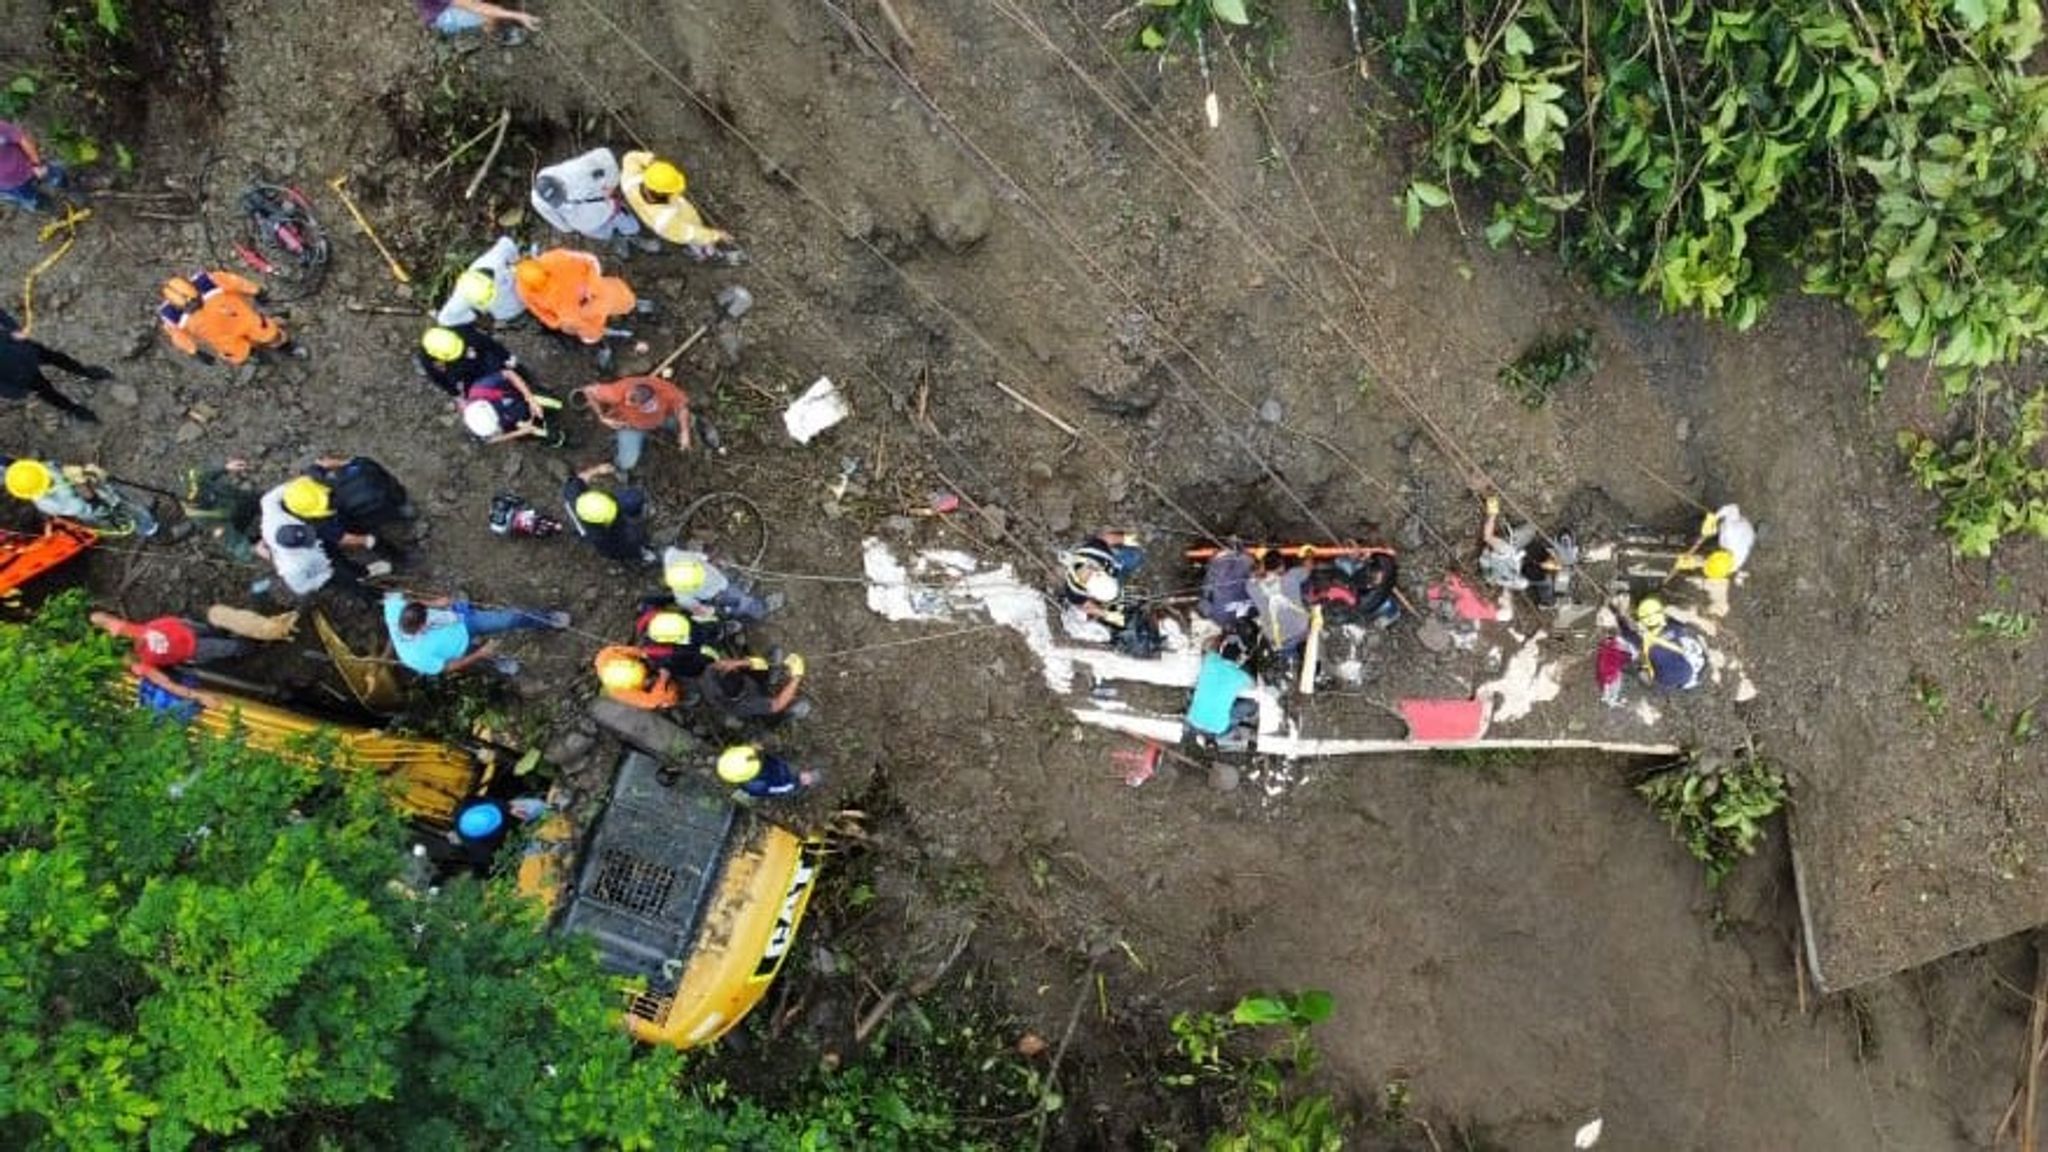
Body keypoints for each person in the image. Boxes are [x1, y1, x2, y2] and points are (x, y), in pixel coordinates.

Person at [383, 592, 568, 677]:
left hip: (461, 621)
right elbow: (448, 667)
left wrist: (435, 603)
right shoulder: (414, 657)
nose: (427, 626)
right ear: (417, 628)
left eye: (426, 618)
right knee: (489, 657)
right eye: (424, 627)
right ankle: (497, 660)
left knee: (509, 619)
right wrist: (480, 654)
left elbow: (406, 599)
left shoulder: (394, 608)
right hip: (461, 650)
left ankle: (547, 619)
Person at [258, 480, 385, 598]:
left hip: (322, 551)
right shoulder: (292, 568)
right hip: (323, 568)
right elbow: (301, 588)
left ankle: (363, 572)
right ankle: (376, 596)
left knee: (339, 557)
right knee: (349, 583)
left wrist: (299, 486)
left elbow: (268, 498)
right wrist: (326, 575)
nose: (312, 539)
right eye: (307, 541)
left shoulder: (272, 517)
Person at [90, 611, 252, 697]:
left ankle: (236, 637)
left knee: (215, 631)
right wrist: (196, 695)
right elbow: (166, 683)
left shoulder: (124, 630)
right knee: (228, 647)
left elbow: (99, 618)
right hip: (194, 649)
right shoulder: (141, 665)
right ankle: (250, 647)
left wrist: (99, 622)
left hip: (184, 626)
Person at [157, 269, 296, 366]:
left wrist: (256, 291)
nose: (194, 306)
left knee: (270, 334)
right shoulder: (170, 315)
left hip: (245, 320)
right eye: (189, 308)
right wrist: (194, 352)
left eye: (196, 301)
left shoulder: (207, 282)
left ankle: (286, 346)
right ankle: (254, 354)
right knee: (240, 354)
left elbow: (235, 281)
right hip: (223, 340)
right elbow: (178, 337)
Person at [619, 152, 738, 260]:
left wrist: (652, 162)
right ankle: (704, 253)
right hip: (677, 224)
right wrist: (716, 235)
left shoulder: (631, 181)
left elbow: (630, 158)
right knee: (695, 238)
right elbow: (690, 233)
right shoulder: (664, 220)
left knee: (691, 222)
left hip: (670, 211)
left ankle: (704, 249)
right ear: (662, 192)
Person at [0, 306, 108, 422]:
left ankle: (86, 372)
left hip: (24, 350)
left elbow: (2, 315)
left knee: (59, 358)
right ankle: (73, 409)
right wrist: (17, 392)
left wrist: (15, 331)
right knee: (48, 392)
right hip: (17, 375)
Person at [512, 248, 637, 347]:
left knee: (622, 300)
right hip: (576, 315)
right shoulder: (524, 291)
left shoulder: (555, 258)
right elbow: (541, 313)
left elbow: (591, 260)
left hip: (595, 294)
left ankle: (629, 307)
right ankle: (600, 337)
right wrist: (559, 322)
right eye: (538, 286)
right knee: (591, 334)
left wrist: (592, 285)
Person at [3, 458, 158, 537]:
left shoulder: (39, 471)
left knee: (117, 494)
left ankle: (142, 514)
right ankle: (148, 528)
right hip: (94, 506)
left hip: (90, 488)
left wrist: (78, 471)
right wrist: (82, 484)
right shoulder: (49, 503)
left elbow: (53, 466)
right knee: (123, 512)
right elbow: (84, 506)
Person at [1597, 597, 1708, 704]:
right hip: (1689, 670)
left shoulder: (1669, 631)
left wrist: (1619, 616)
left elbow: (1629, 634)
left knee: (1646, 665)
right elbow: (1630, 635)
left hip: (1687, 671)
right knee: (1646, 666)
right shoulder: (1674, 629)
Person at [576, 374, 690, 475]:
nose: (625, 403)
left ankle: (686, 431)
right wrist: (601, 416)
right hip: (630, 426)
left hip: (661, 418)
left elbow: (681, 407)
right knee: (627, 463)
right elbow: (588, 390)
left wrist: (685, 432)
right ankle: (617, 467)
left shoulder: (665, 390)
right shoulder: (618, 391)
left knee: (684, 423)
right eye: (627, 399)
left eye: (631, 403)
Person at [531, 147, 643, 246]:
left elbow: (605, 158)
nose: (562, 200)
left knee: (631, 226)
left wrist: (612, 185)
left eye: (560, 194)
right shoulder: (538, 201)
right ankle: (620, 241)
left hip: (607, 210)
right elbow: (558, 222)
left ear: (559, 182)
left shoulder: (577, 170)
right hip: (586, 226)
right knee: (607, 235)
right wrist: (571, 227)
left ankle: (634, 238)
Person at [1478, 494, 1574, 606]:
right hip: (1522, 565)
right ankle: (1551, 600)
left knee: (1531, 532)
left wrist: (1493, 513)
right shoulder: (1507, 555)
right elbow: (1489, 539)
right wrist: (1543, 565)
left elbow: (1487, 536)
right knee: (1546, 580)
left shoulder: (1504, 554)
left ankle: (1555, 595)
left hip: (1516, 562)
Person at [563, 463, 655, 565]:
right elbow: (613, 549)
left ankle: (638, 510)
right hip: (610, 535)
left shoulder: (572, 492)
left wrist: (598, 469)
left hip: (610, 509)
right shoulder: (597, 535)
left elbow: (581, 478)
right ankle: (642, 555)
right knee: (632, 540)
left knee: (633, 497)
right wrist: (634, 547)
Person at [661, 546, 781, 622]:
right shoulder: (681, 595)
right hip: (718, 595)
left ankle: (742, 593)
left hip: (720, 579)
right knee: (739, 603)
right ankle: (761, 609)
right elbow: (698, 609)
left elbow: (701, 557)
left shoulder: (677, 557)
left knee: (733, 587)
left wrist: (712, 560)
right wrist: (706, 611)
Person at [435, 238, 529, 328]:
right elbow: (444, 319)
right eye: (486, 299)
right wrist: (472, 317)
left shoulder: (491, 261)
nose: (491, 298)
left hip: (523, 291)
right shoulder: (462, 295)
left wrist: (516, 260)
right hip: (509, 312)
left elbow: (507, 243)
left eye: (490, 295)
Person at [1185, 634, 1258, 749]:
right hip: (1212, 727)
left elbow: (1210, 646)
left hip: (1194, 722)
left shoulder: (1211, 660)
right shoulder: (1239, 675)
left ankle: (1207, 737)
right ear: (1239, 658)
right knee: (1251, 705)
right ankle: (1215, 738)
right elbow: (1254, 685)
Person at [697, 650, 809, 723]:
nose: (732, 669)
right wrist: (797, 676)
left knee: (763, 662)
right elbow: (777, 705)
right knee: (781, 710)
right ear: (738, 695)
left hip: (749, 685)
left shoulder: (711, 672)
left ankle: (770, 672)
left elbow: (721, 664)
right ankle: (784, 716)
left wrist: (738, 663)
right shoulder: (741, 705)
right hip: (757, 700)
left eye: (731, 671)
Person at [182, 458, 261, 560]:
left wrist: (225, 467)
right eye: (207, 498)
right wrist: (252, 549)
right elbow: (233, 543)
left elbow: (201, 473)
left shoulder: (193, 482)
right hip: (235, 518)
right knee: (249, 539)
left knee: (258, 499)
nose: (211, 496)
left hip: (238, 498)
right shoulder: (205, 520)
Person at [462, 367, 561, 445]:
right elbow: (492, 439)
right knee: (533, 434)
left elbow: (509, 374)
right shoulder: (483, 430)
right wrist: (521, 432)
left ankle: (552, 411)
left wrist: (530, 400)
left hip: (519, 396)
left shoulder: (481, 389)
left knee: (556, 404)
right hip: (514, 418)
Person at [417, 324, 519, 398]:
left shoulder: (461, 331)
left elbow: (487, 342)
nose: (459, 353)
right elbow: (437, 377)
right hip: (460, 370)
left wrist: (506, 357)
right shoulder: (426, 357)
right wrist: (454, 393)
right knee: (472, 391)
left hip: (480, 357)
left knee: (497, 363)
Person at [1246, 551, 1312, 661]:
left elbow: (1252, 575)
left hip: (1277, 638)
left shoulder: (1252, 587)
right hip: (1301, 631)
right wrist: (1309, 554)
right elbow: (1308, 568)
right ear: (1281, 566)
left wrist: (1262, 569)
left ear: (1264, 567)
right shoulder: (1292, 576)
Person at [1673, 504, 1756, 581]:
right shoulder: (1730, 532)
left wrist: (1694, 562)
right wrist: (1714, 518)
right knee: (1702, 524)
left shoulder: (1730, 566)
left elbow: (1711, 562)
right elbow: (1733, 508)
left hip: (1745, 537)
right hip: (1739, 527)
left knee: (1703, 541)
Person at [0, 119, 66, 212]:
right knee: (34, 201)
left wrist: (36, 163)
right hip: (9, 186)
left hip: (28, 167)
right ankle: (56, 210)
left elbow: (23, 140)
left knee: (57, 176)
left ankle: (69, 188)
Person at [716, 744, 818, 801]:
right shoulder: (756, 785)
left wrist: (757, 751)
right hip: (772, 780)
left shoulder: (733, 760)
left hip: (773, 770)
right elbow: (776, 790)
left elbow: (757, 754)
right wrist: (797, 782)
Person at [593, 645, 682, 710]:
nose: (649, 679)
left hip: (640, 665)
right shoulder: (621, 693)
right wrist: (663, 679)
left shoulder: (607, 655)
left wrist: (644, 655)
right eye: (646, 680)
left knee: (655, 650)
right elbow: (652, 701)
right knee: (668, 699)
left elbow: (631, 650)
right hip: (649, 687)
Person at [414, 0, 538, 40]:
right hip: (440, 14)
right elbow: (477, 7)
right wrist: (516, 15)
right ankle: (494, 31)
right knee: (489, 14)